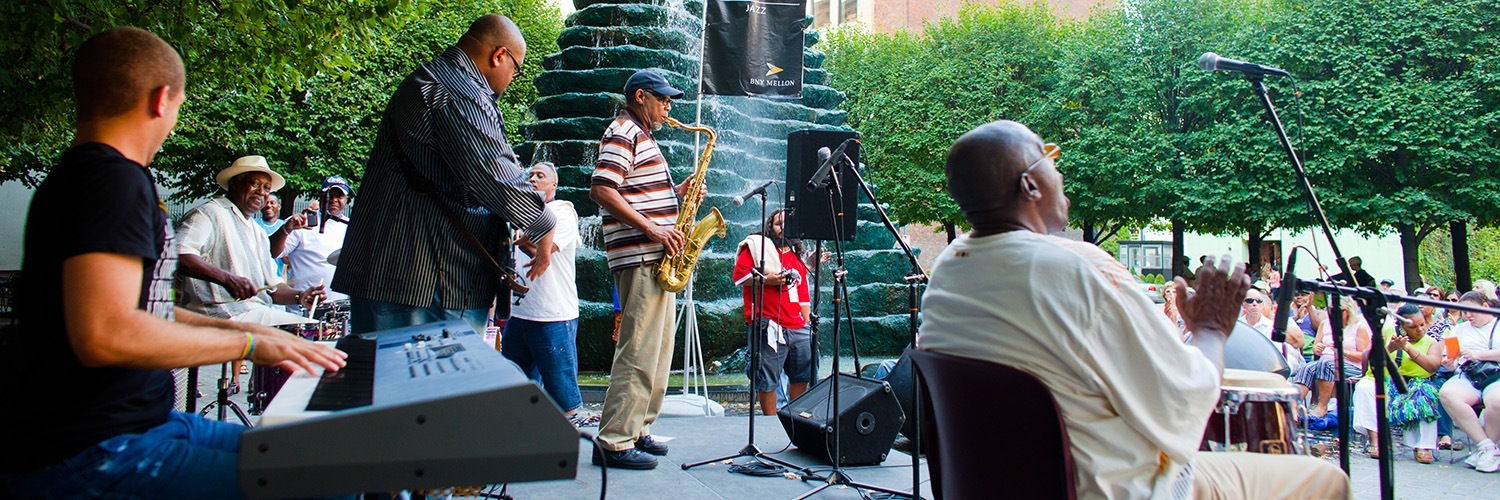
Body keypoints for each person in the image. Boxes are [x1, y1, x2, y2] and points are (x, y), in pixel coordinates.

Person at [0, 27, 346, 498]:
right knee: (328, 483)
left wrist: (253, 332)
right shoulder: (111, 183)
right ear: (162, 99)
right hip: (97, 450)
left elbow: (145, 310)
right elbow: (106, 334)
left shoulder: (88, 177)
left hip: (148, 423)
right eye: (180, 107)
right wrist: (246, 345)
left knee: (325, 459)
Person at [917, 120, 1346, 498]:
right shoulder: (1078, 267)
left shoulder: (948, 273)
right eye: (1050, 156)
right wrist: (1212, 329)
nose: (1060, 170)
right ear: (1030, 185)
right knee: (1327, 480)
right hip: (1117, 489)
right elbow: (1184, 407)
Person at [332, 14, 555, 337]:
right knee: (423, 386)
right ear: (499, 56)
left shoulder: (435, 78)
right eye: (515, 71)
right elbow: (500, 181)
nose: (511, 80)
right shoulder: (459, 90)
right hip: (420, 282)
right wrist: (544, 223)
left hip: (400, 275)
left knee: (389, 384)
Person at [589, 68, 697, 470]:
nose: (669, 107)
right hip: (640, 256)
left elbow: (635, 189)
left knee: (657, 351)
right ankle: (615, 440)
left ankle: (638, 427)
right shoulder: (623, 131)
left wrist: (678, 193)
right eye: (663, 99)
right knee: (638, 350)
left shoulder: (642, 136)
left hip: (655, 258)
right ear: (639, 97)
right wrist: (654, 228)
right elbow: (602, 189)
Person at [176, 155, 329, 390]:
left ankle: (275, 404)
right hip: (217, 314)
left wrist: (300, 296)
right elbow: (177, 252)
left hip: (253, 311)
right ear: (235, 183)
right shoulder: (210, 213)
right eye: (255, 183)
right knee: (314, 341)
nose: (262, 192)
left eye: (266, 188)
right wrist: (226, 278)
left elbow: (275, 287)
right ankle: (284, 409)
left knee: (318, 334)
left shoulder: (255, 230)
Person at [501, 162, 591, 427]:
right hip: (519, 314)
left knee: (566, 402)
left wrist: (521, 235)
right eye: (529, 175)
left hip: (553, 315)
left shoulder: (563, 211)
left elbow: (541, 248)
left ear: (554, 184)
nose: (533, 178)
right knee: (514, 392)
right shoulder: (518, 212)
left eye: (541, 176)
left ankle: (572, 453)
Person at [731, 209, 813, 416]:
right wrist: (769, 280)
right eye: (778, 223)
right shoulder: (758, 248)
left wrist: (807, 322)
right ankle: (771, 423)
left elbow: (802, 293)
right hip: (769, 324)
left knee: (802, 376)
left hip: (798, 326)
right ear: (770, 227)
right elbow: (739, 278)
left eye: (788, 223)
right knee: (766, 380)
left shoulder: (796, 256)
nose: (783, 227)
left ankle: (795, 421)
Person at [1354, 305, 1443, 463]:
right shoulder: (1388, 333)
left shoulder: (1432, 342)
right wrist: (1390, 348)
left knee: (1424, 393)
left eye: (1422, 324)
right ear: (1401, 326)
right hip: (1388, 382)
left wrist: (1408, 349)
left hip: (1415, 383)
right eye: (1413, 326)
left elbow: (1433, 366)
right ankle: (1377, 440)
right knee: (1364, 387)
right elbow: (1372, 360)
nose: (1420, 329)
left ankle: (1423, 446)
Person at [1438, 291, 1500, 472]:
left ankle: (1488, 449)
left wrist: (1479, 355)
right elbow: (1451, 358)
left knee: (1496, 400)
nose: (1468, 316)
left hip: (1495, 375)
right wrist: (1449, 362)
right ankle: (1486, 447)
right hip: (1468, 375)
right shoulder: (1458, 329)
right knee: (1447, 393)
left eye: (1471, 311)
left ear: (1486, 306)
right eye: (1464, 312)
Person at [277, 176, 354, 306]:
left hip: (338, 306)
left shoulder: (350, 226)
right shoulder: (302, 221)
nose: (334, 200)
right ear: (321, 196)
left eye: (339, 196)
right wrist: (286, 230)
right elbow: (276, 252)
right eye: (330, 195)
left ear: (346, 200)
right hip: (303, 305)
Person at [1290, 296, 1372, 418]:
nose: (1333, 313)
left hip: (1350, 365)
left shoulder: (1358, 327)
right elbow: (1315, 346)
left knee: (1326, 364)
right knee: (1306, 368)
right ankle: (1293, 408)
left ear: (1347, 311)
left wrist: (1343, 351)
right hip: (1325, 360)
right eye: (1330, 309)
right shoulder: (1325, 324)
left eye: (1337, 310)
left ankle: (1322, 406)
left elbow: (1364, 355)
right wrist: (1317, 348)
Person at [1242, 288, 1304, 370]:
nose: (1254, 304)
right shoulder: (1237, 326)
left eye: (1258, 301)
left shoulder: (1272, 327)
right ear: (1243, 304)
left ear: (1262, 305)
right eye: (1250, 301)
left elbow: (1280, 355)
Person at [258, 194, 288, 279]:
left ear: (279, 207)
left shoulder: (284, 226)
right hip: (258, 276)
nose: (268, 205)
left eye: (272, 203)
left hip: (277, 277)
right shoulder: (253, 224)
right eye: (266, 203)